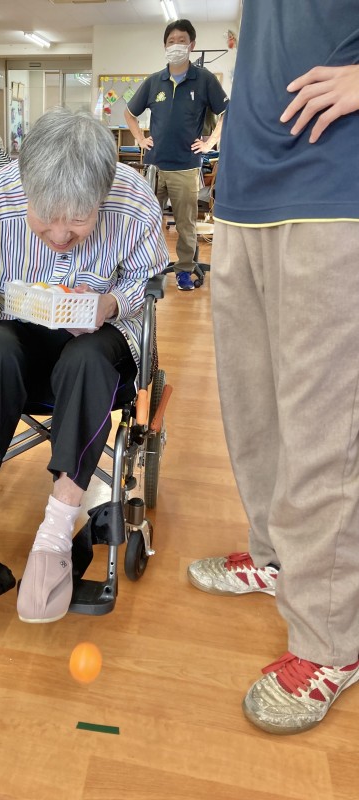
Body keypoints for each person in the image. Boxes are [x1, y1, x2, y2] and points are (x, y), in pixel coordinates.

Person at [187, 0, 359, 735]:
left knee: (323, 430)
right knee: (252, 410)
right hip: (242, 194)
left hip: (331, 188)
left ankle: (330, 641)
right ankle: (278, 557)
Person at [0, 107, 167, 624]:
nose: (61, 235)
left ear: (103, 194)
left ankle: (55, 535)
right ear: (25, 187)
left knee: (87, 357)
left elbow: (149, 280)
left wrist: (110, 303)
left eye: (79, 220)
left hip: (100, 341)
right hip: (21, 335)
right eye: (46, 219)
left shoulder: (134, 200)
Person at [124, 18, 228, 292]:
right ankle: (145, 268)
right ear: (164, 46)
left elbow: (227, 112)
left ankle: (184, 270)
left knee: (185, 225)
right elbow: (129, 113)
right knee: (146, 222)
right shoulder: (153, 82)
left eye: (182, 41)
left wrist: (210, 143)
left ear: (192, 45)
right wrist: (140, 138)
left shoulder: (204, 79)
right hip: (155, 166)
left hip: (185, 166)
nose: (176, 45)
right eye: (171, 41)